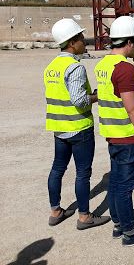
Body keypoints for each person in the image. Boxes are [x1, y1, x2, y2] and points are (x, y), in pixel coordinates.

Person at [94, 16, 134, 246]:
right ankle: (130, 232)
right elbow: (133, 108)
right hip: (128, 137)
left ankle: (119, 223)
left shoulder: (103, 65)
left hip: (113, 134)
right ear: (129, 42)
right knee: (124, 187)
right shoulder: (124, 69)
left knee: (115, 183)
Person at [44, 19, 110, 230]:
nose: (84, 41)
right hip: (79, 127)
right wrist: (96, 97)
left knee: (57, 169)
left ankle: (56, 210)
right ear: (72, 42)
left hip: (59, 127)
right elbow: (80, 101)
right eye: (81, 38)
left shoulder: (52, 67)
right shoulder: (74, 67)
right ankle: (84, 216)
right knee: (83, 173)